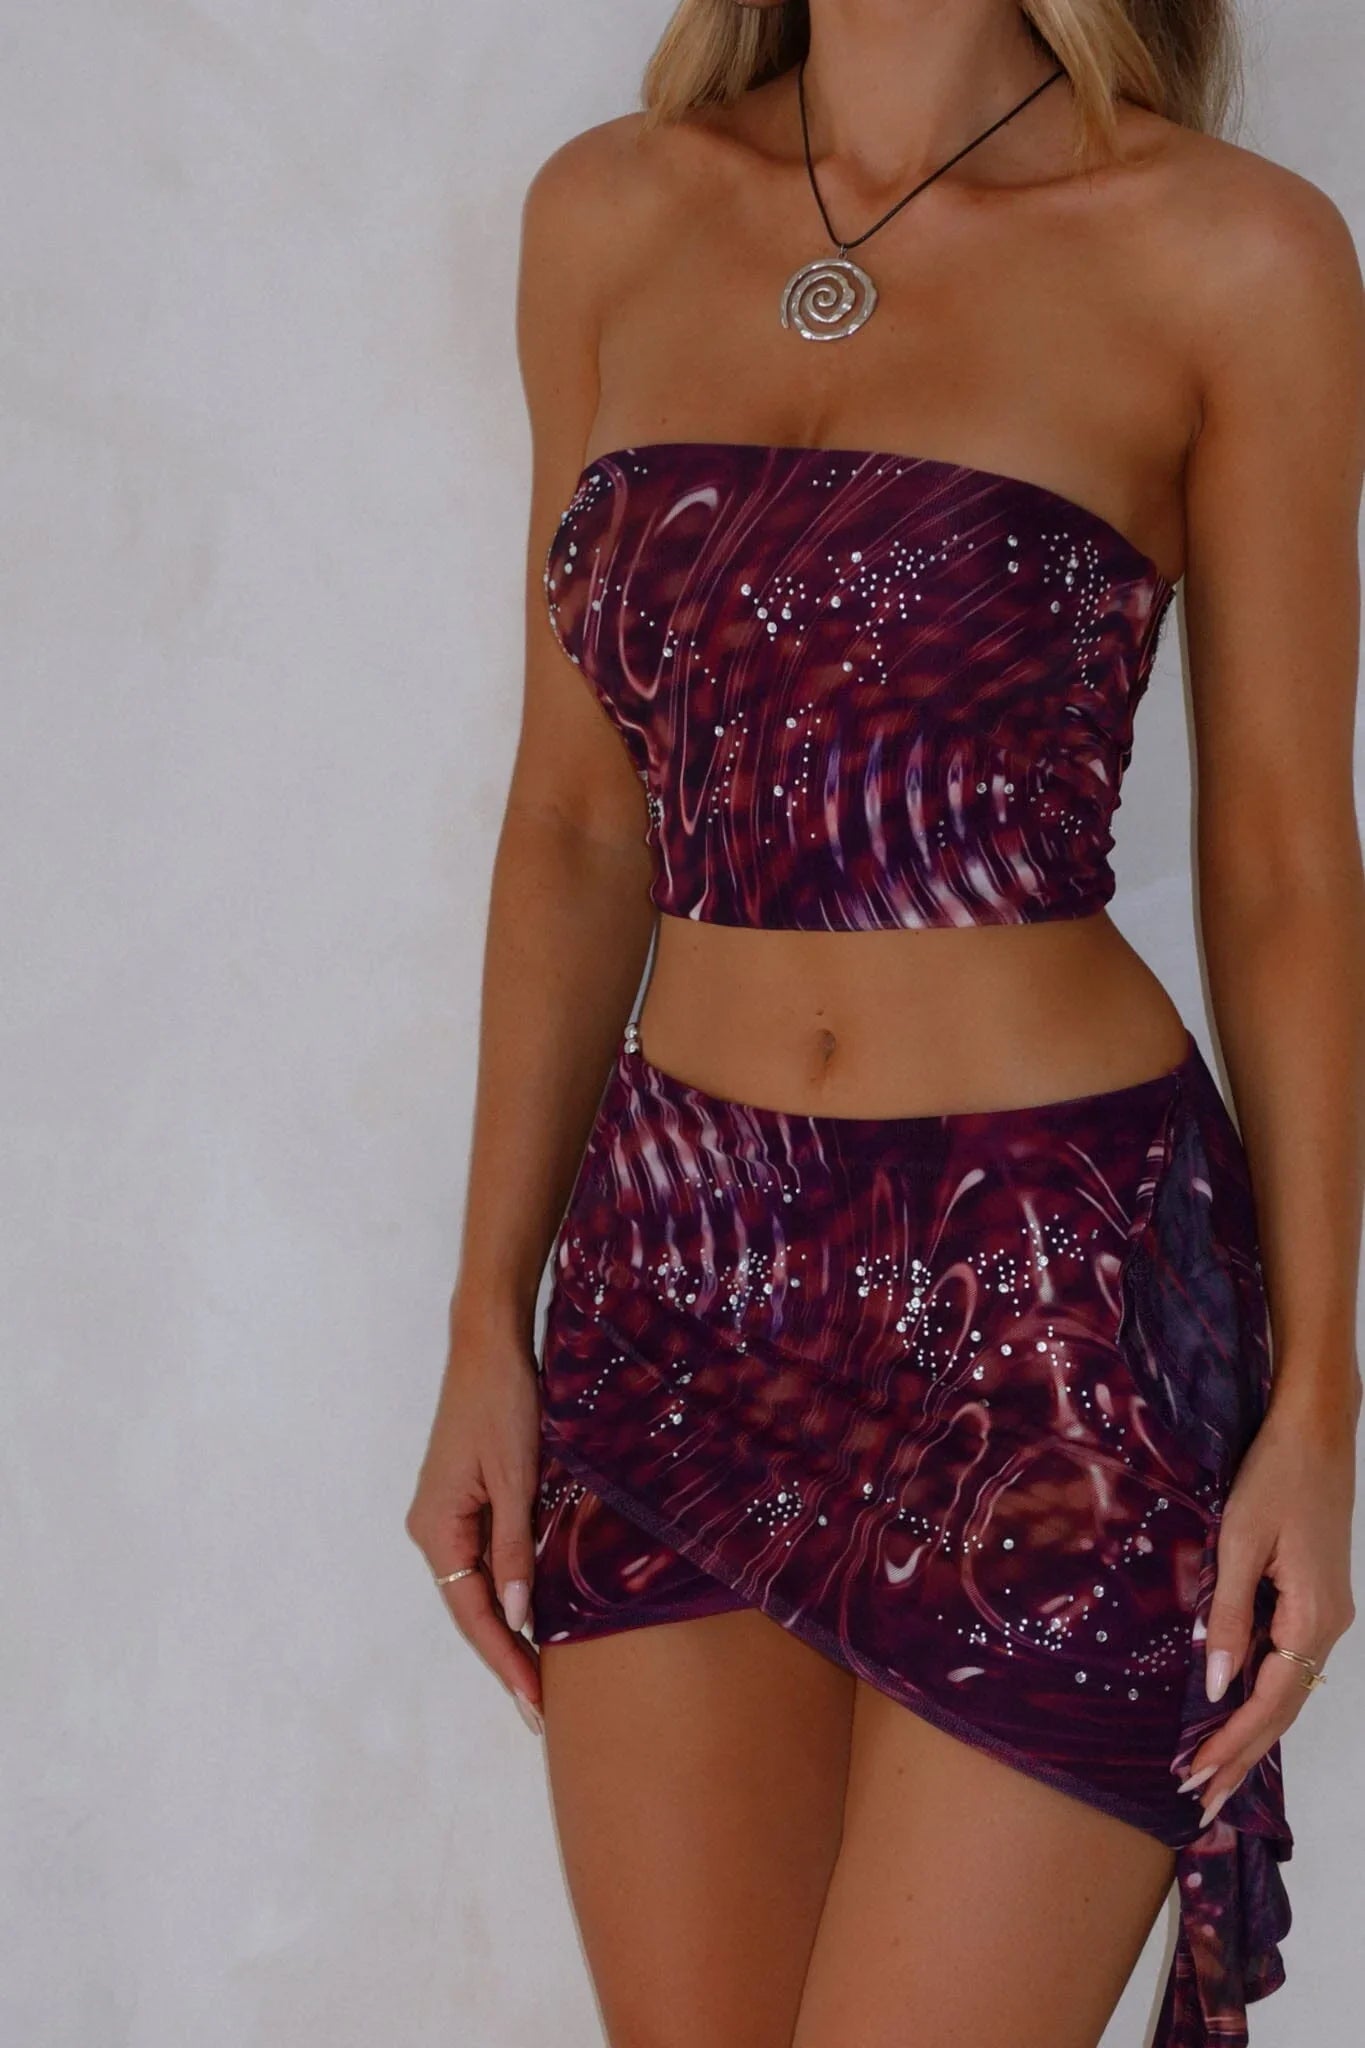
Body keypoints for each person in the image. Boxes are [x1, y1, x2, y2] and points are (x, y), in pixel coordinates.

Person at [406, 3, 1365, 2042]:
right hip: (674, 1276)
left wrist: (1315, 1401)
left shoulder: (1229, 251)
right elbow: (574, 823)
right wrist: (485, 1310)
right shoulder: (613, 213)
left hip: (1051, 1300)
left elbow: (1285, 866)